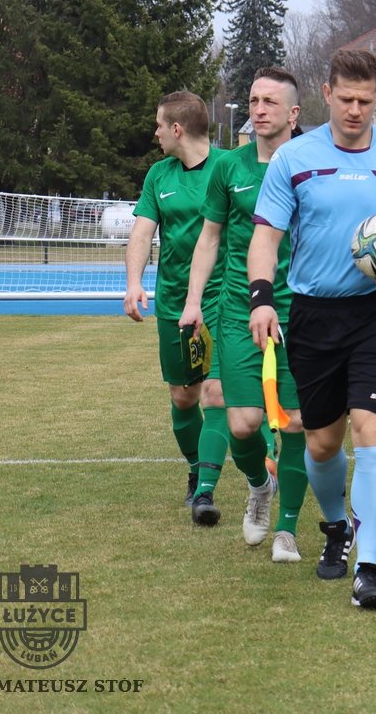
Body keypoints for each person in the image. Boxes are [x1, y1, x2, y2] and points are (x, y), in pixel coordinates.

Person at [247, 49, 376, 610]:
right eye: (346, 99)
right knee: (322, 441)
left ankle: (369, 568)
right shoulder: (293, 158)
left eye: (366, 101)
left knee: (370, 428)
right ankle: (336, 526)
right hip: (313, 313)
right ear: (327, 94)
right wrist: (262, 299)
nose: (355, 110)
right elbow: (266, 238)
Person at [179, 67, 315, 562]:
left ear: (293, 113)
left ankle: (287, 530)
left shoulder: (311, 164)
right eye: (254, 100)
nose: (258, 110)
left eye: (269, 102)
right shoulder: (228, 167)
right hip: (240, 310)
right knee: (242, 423)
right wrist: (194, 300)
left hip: (301, 311)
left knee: (296, 422)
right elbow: (209, 239)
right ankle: (260, 485)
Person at [124, 91, 229, 509]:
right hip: (173, 301)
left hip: (224, 297)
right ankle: (196, 467)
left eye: (159, 125)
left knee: (217, 392)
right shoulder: (158, 175)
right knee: (184, 397)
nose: (156, 133)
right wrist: (134, 282)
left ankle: (210, 488)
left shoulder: (228, 167)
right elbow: (141, 233)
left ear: (178, 129)